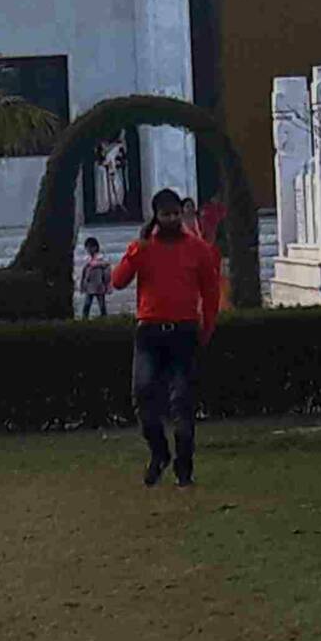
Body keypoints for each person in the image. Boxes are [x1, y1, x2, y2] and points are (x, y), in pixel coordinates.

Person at [111, 188, 222, 487]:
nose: (172, 219)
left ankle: (184, 466)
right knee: (144, 395)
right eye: (166, 214)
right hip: (149, 331)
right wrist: (135, 251)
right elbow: (117, 281)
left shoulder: (197, 249)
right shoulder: (144, 247)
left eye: (176, 214)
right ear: (156, 216)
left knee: (183, 402)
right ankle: (159, 453)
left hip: (185, 331)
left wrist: (207, 328)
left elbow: (211, 292)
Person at [78, 236, 112, 318]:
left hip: (99, 285)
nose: (88, 250)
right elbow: (83, 274)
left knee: (102, 305)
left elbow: (107, 269)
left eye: (90, 247)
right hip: (89, 286)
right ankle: (84, 320)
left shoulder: (101, 258)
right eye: (87, 248)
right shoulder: (86, 260)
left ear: (95, 247)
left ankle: (104, 320)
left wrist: (107, 285)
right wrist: (82, 285)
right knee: (87, 305)